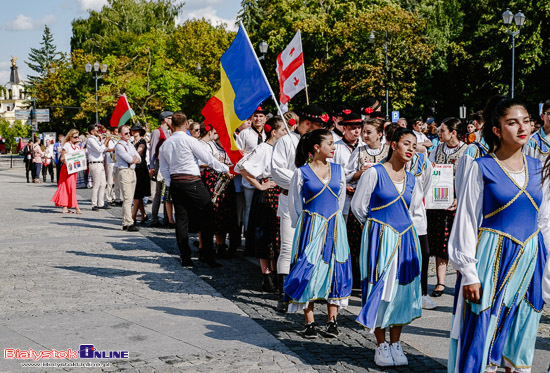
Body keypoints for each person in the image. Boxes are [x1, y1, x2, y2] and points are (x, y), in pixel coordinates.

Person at [447, 96, 549, 373]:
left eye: (526, 121)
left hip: (531, 257)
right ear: (497, 130)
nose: (522, 128)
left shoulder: (540, 168)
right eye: (512, 122)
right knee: (485, 325)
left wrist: (546, 269)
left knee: (522, 325)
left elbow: (545, 220)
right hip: (492, 257)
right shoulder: (482, 167)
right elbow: (466, 220)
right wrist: (468, 271)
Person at [351, 128, 423, 367]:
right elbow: (358, 207)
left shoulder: (412, 179)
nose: (411, 149)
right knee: (380, 289)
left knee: (401, 292)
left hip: (405, 239)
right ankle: (381, 344)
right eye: (406, 143)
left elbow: (414, 212)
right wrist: (376, 230)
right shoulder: (375, 173)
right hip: (381, 239)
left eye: (414, 145)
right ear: (393, 145)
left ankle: (396, 343)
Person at [284, 129, 352, 339]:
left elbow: (340, 199)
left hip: (334, 225)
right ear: (317, 147)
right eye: (330, 143)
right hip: (311, 226)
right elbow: (295, 203)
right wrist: (303, 224)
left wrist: (335, 218)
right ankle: (310, 321)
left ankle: (332, 320)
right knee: (309, 269)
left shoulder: (338, 170)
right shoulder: (301, 172)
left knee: (334, 268)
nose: (334, 147)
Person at [271, 104, 328, 312]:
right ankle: (284, 293)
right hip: (289, 200)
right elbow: (276, 170)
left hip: (315, 202)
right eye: (318, 125)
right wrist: (302, 179)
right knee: (288, 246)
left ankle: (308, 290)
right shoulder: (286, 142)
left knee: (312, 247)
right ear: (306, 123)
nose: (321, 129)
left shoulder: (320, 144)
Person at [159, 111, 229, 268]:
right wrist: (225, 169)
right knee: (208, 214)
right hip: (192, 181)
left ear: (171, 125)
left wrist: (171, 183)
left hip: (177, 181)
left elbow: (164, 169)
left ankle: (186, 257)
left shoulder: (166, 144)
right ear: (186, 125)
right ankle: (207, 255)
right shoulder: (189, 141)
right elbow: (208, 159)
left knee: (182, 220)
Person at [235, 116, 288, 293]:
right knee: (264, 235)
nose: (286, 133)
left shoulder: (282, 148)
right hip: (267, 193)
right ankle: (266, 276)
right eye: (283, 130)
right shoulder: (264, 148)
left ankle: (275, 273)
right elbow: (241, 167)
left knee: (276, 235)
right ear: (274, 132)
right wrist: (259, 184)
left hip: (280, 193)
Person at [426, 118, 468, 299]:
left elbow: (471, 179)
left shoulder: (467, 151)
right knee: (440, 243)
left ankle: (461, 280)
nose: (439, 133)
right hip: (438, 203)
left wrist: (461, 198)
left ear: (453, 132)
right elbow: (427, 172)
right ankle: (440, 281)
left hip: (459, 203)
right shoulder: (436, 150)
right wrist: (431, 168)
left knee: (459, 244)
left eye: (443, 130)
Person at [149, 111, 174, 227]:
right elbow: (152, 150)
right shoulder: (157, 132)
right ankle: (154, 218)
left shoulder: (171, 132)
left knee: (167, 192)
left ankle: (167, 218)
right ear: (165, 119)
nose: (172, 120)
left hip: (169, 164)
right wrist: (152, 166)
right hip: (160, 164)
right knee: (159, 193)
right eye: (170, 118)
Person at [115, 124, 141, 232]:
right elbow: (129, 159)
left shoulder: (130, 144)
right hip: (124, 171)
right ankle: (129, 223)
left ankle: (125, 222)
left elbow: (139, 158)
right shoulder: (119, 146)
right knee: (127, 198)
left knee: (130, 198)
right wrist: (133, 159)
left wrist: (134, 159)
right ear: (120, 134)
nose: (128, 135)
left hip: (132, 171)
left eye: (129, 132)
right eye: (126, 133)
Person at [51, 129, 82, 214]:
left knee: (68, 187)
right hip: (67, 169)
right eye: (75, 137)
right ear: (70, 137)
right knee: (69, 187)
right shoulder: (67, 145)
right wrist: (69, 163)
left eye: (77, 137)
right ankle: (76, 206)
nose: (77, 138)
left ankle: (65, 206)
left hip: (74, 170)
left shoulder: (77, 146)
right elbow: (62, 158)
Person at [86, 124, 110, 211]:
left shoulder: (96, 139)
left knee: (103, 184)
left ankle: (101, 203)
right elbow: (99, 149)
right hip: (95, 163)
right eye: (96, 130)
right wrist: (106, 139)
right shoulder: (90, 140)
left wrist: (107, 141)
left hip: (100, 163)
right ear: (92, 131)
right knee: (96, 184)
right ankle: (94, 204)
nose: (98, 132)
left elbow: (104, 148)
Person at [131, 124, 151, 224]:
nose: (134, 132)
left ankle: (133, 216)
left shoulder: (142, 141)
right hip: (134, 169)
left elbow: (139, 152)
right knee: (137, 193)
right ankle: (143, 215)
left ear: (139, 131)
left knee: (138, 194)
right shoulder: (131, 142)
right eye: (133, 130)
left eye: (136, 130)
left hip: (141, 169)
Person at [104, 129, 117, 206]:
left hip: (117, 163)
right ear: (113, 132)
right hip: (110, 162)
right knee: (110, 181)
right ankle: (109, 197)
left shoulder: (118, 141)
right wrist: (115, 149)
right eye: (115, 132)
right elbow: (106, 149)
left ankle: (116, 197)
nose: (117, 134)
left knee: (117, 182)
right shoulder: (110, 141)